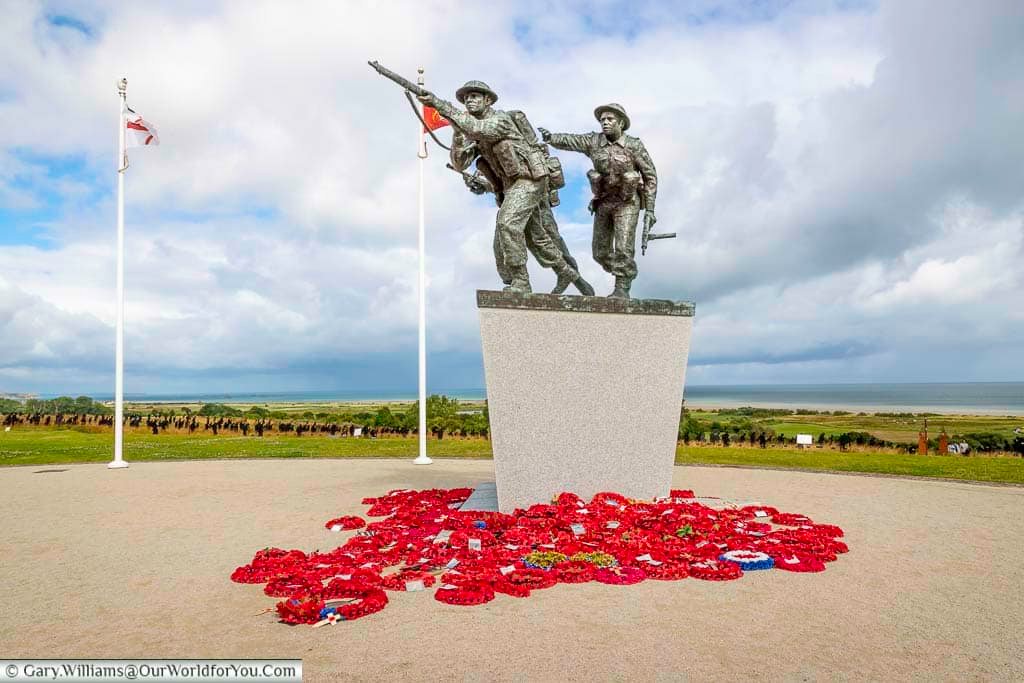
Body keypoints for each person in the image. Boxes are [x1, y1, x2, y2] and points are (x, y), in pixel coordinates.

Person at [419, 81, 593, 295]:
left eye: (474, 96)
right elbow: (459, 163)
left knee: (507, 224)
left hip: (530, 180)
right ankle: (568, 273)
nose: (469, 101)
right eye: (466, 98)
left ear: (488, 100)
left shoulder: (499, 121)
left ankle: (521, 281)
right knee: (534, 237)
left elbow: (476, 129)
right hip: (511, 188)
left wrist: (438, 104)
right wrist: (456, 133)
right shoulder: (470, 130)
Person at [539, 104, 658, 298]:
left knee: (623, 247)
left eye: (610, 119)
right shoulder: (594, 141)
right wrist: (552, 138)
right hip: (604, 200)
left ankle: (622, 287)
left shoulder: (634, 145)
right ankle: (626, 271)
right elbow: (572, 141)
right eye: (602, 120)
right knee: (600, 253)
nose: (605, 122)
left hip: (627, 201)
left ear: (621, 123)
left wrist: (650, 210)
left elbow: (650, 176)